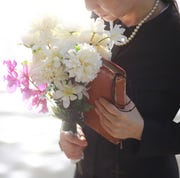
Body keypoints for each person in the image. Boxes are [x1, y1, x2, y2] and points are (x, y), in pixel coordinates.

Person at [59, 0, 180, 178]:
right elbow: (77, 89)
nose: (89, 6)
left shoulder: (174, 37)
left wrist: (141, 130)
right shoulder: (97, 21)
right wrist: (68, 128)